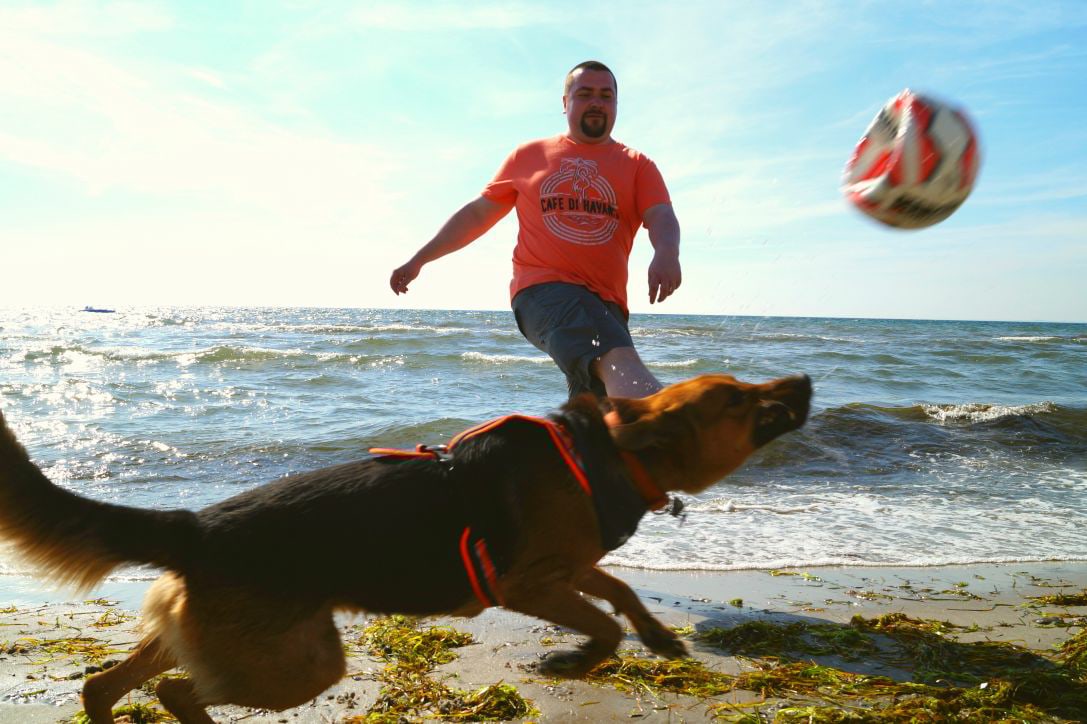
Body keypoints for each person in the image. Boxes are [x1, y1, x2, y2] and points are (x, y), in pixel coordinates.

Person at [390, 60, 681, 399]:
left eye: (606, 96)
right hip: (542, 290)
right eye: (585, 94)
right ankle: (674, 421)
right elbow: (478, 214)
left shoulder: (638, 165)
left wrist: (666, 252)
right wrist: (420, 259)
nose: (596, 102)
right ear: (565, 103)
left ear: (616, 103)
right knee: (621, 365)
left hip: (608, 305)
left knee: (597, 411)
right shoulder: (529, 156)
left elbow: (661, 215)